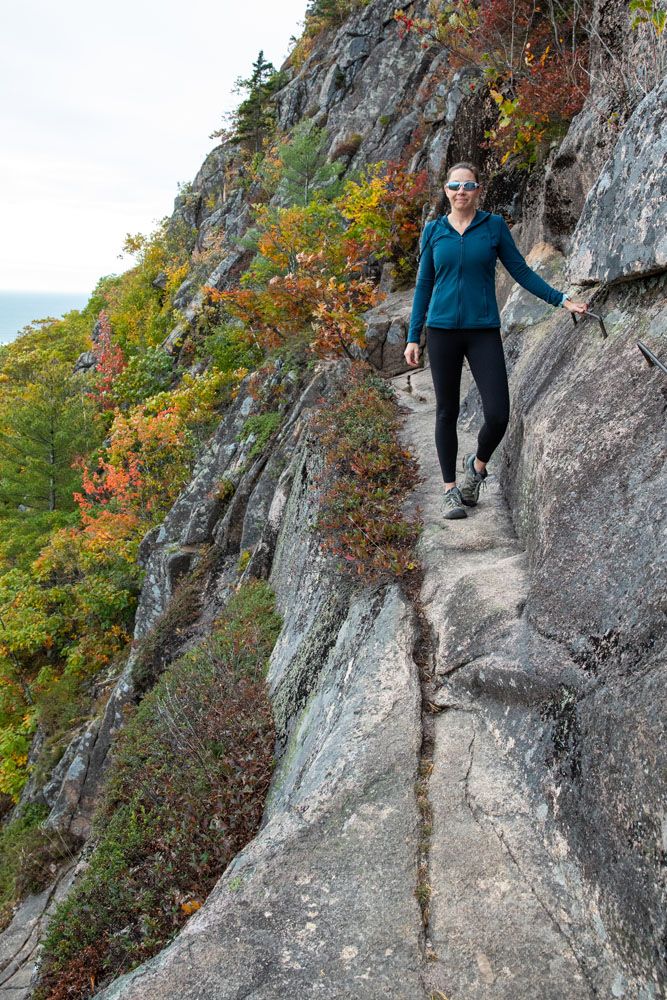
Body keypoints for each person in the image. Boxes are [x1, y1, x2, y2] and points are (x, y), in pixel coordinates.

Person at [404, 161, 588, 520]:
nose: (461, 192)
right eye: (455, 186)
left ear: (478, 190)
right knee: (447, 411)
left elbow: (520, 271)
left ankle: (476, 469)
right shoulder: (433, 231)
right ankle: (450, 492)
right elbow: (423, 285)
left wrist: (561, 299)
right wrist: (414, 336)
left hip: (482, 330)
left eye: (468, 186)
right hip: (441, 332)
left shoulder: (493, 227)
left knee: (498, 414)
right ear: (446, 191)